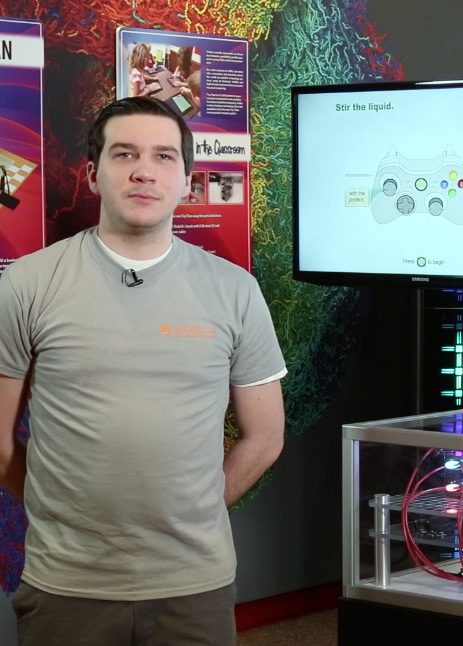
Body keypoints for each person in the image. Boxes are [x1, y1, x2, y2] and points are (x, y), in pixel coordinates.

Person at [0, 96, 287, 645]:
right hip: (67, 584)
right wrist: (57, 512)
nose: (144, 171)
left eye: (163, 157)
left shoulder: (235, 291)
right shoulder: (28, 284)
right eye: (125, 154)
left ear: (186, 182)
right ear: (92, 175)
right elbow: (0, 440)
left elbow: (266, 437)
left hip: (194, 584)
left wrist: (194, 513)